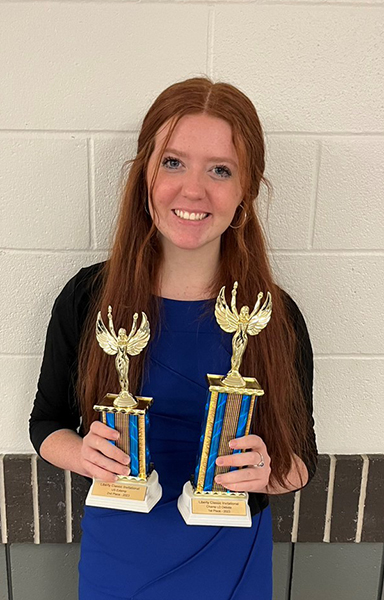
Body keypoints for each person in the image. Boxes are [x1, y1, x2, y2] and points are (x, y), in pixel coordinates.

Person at [30, 76, 317, 600]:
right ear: (145, 175)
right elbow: (45, 424)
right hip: (118, 560)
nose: (193, 190)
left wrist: (268, 473)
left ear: (245, 194)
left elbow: (303, 461)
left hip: (230, 560)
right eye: (173, 162)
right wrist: (83, 455)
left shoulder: (271, 315)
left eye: (221, 170)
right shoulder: (88, 296)